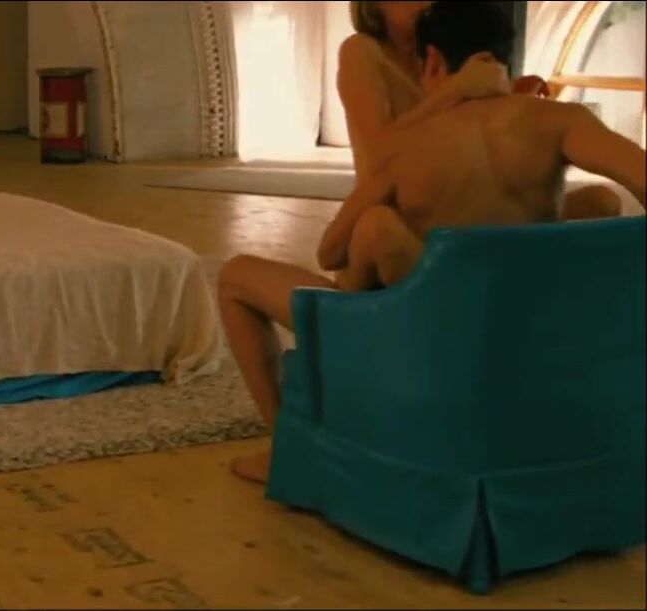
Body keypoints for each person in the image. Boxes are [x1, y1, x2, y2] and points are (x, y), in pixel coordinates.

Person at [220, 1, 647, 483]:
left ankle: (292, 452)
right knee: (600, 202)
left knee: (243, 274)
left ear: (435, 62)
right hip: (517, 307)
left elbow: (329, 251)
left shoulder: (406, 148)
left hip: (426, 315)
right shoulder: (562, 121)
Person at [339, 1, 622, 216]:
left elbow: (471, 124)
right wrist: (457, 89)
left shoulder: (444, 42)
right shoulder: (361, 51)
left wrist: (515, 98)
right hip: (405, 212)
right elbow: (377, 156)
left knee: (602, 201)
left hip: (468, 200)